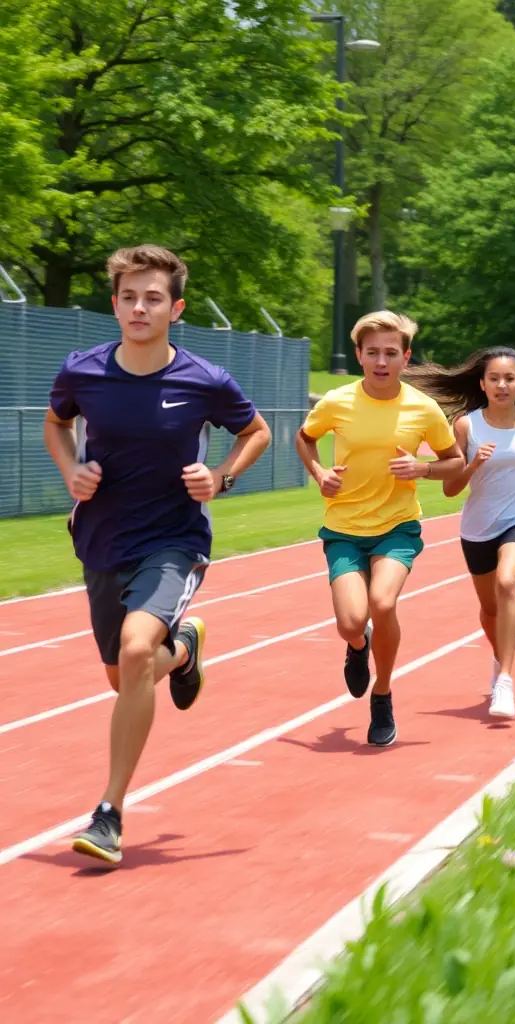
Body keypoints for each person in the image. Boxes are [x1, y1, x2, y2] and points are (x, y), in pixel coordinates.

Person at [44, 244, 271, 865]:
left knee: (136, 650)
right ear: (114, 304)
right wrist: (71, 471)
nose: (139, 307)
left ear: (176, 308)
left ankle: (110, 811)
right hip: (101, 538)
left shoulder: (204, 379)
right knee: (126, 676)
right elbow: (55, 423)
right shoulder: (83, 370)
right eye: (128, 297)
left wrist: (221, 476)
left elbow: (257, 432)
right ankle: (186, 648)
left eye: (152, 298)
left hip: (175, 538)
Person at [295, 311, 464, 747]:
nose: (382, 361)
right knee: (352, 622)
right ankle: (357, 645)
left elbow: (455, 462)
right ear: (359, 356)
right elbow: (305, 436)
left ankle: (383, 693)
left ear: (405, 358)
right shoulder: (338, 401)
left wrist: (423, 467)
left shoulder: (422, 408)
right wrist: (318, 473)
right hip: (344, 526)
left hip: (397, 526)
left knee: (382, 601)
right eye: (373, 353)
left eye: (391, 353)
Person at [407, 347, 515, 718]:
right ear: (482, 384)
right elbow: (451, 490)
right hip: (478, 525)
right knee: (488, 610)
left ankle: (506, 682)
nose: (502, 385)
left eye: (510, 378)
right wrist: (473, 465)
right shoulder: (467, 426)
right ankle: (501, 662)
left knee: (505, 582)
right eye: (494, 379)